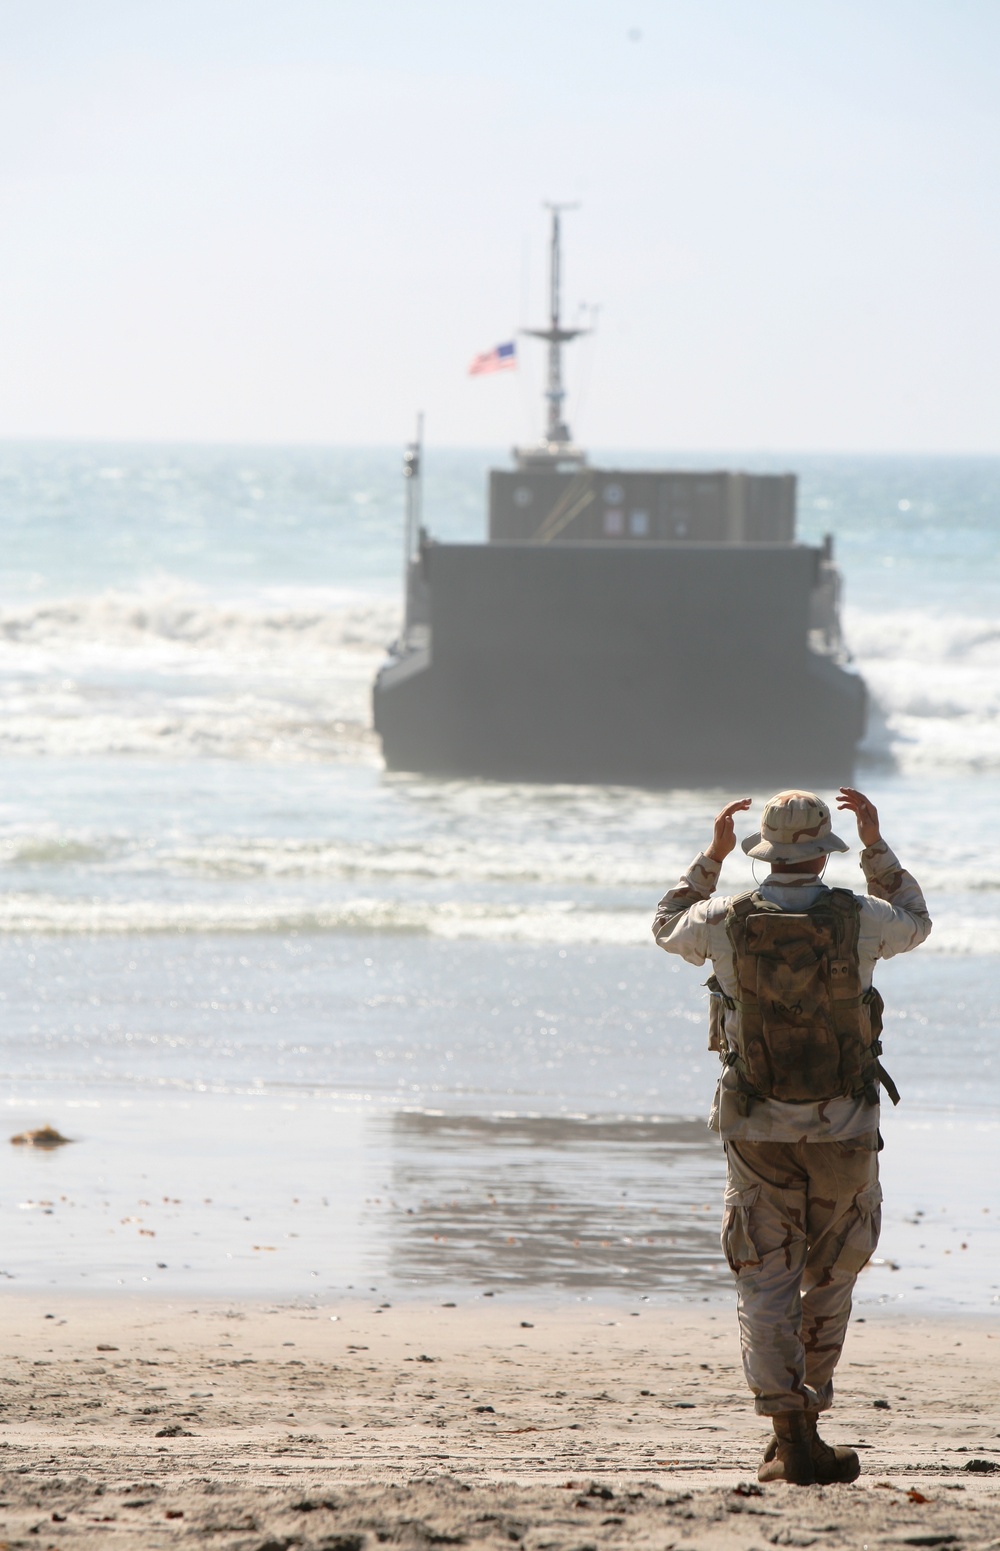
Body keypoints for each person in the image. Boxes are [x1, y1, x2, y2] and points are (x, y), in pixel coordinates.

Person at [652, 788, 931, 1486]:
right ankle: (808, 1424)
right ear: (824, 848)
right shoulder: (861, 917)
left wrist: (710, 858)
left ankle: (791, 1430)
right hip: (846, 1127)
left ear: (764, 850)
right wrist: (877, 848)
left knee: (764, 1278)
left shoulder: (722, 919)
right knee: (834, 1273)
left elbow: (664, 925)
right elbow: (919, 923)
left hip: (756, 1129)